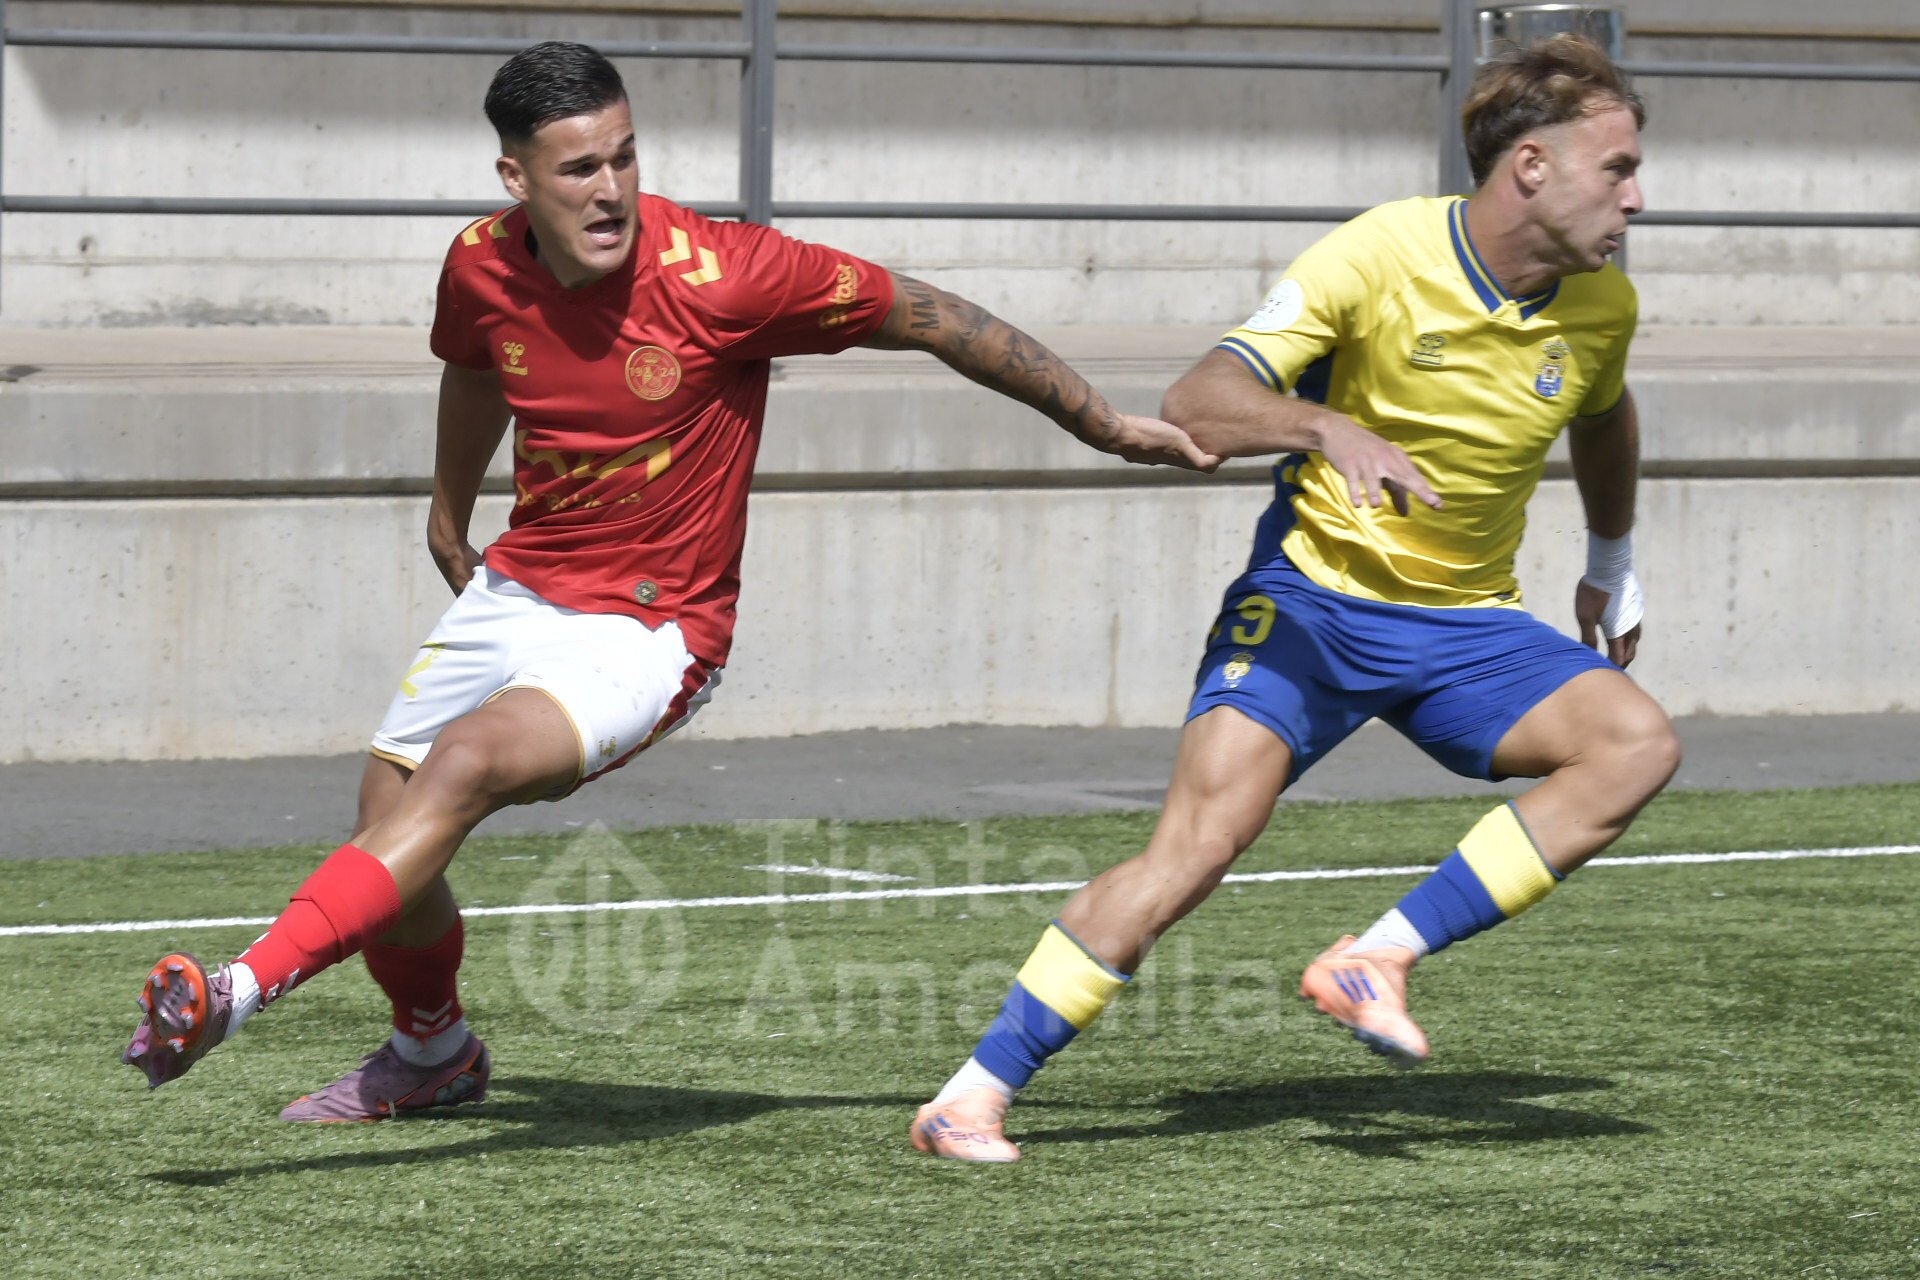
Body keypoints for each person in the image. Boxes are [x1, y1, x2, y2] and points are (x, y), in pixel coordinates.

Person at [121, 40, 1215, 1119]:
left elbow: (931, 315)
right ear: (516, 178)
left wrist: (1101, 421)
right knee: (386, 820)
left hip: (653, 628)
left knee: (462, 764)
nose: (612, 190)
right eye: (579, 168)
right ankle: (433, 1050)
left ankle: (235, 992)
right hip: (522, 584)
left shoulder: (730, 274)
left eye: (625, 156)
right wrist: (448, 511)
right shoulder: (479, 261)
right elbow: (475, 370)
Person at [911, 33, 1680, 1163]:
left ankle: (1376, 957)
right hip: (1312, 607)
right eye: (1617, 168)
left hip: (1466, 624)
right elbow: (1199, 401)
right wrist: (1325, 425)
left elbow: (1603, 414)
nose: (1637, 198)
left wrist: (1611, 557)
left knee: (1635, 744)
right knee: (1194, 849)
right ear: (1531, 165)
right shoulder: (1379, 252)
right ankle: (968, 1097)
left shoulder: (1602, 304)